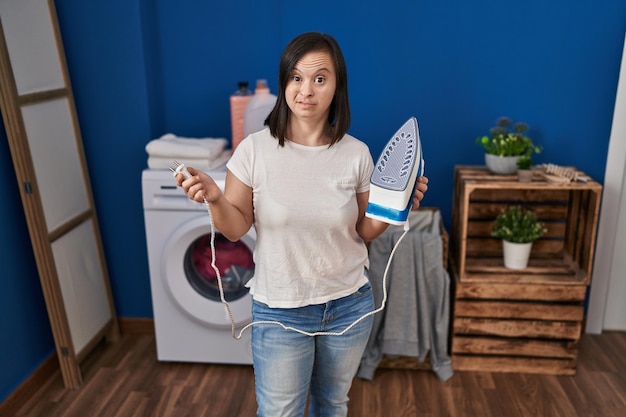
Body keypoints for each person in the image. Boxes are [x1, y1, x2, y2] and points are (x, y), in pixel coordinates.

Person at [176, 31, 429, 417]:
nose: (305, 90)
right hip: (280, 310)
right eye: (296, 77)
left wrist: (398, 203)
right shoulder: (254, 151)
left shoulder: (356, 154)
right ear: (283, 83)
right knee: (280, 412)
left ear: (336, 87)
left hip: (348, 304)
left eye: (319, 78)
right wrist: (214, 197)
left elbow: (364, 230)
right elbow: (234, 228)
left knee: (332, 404)